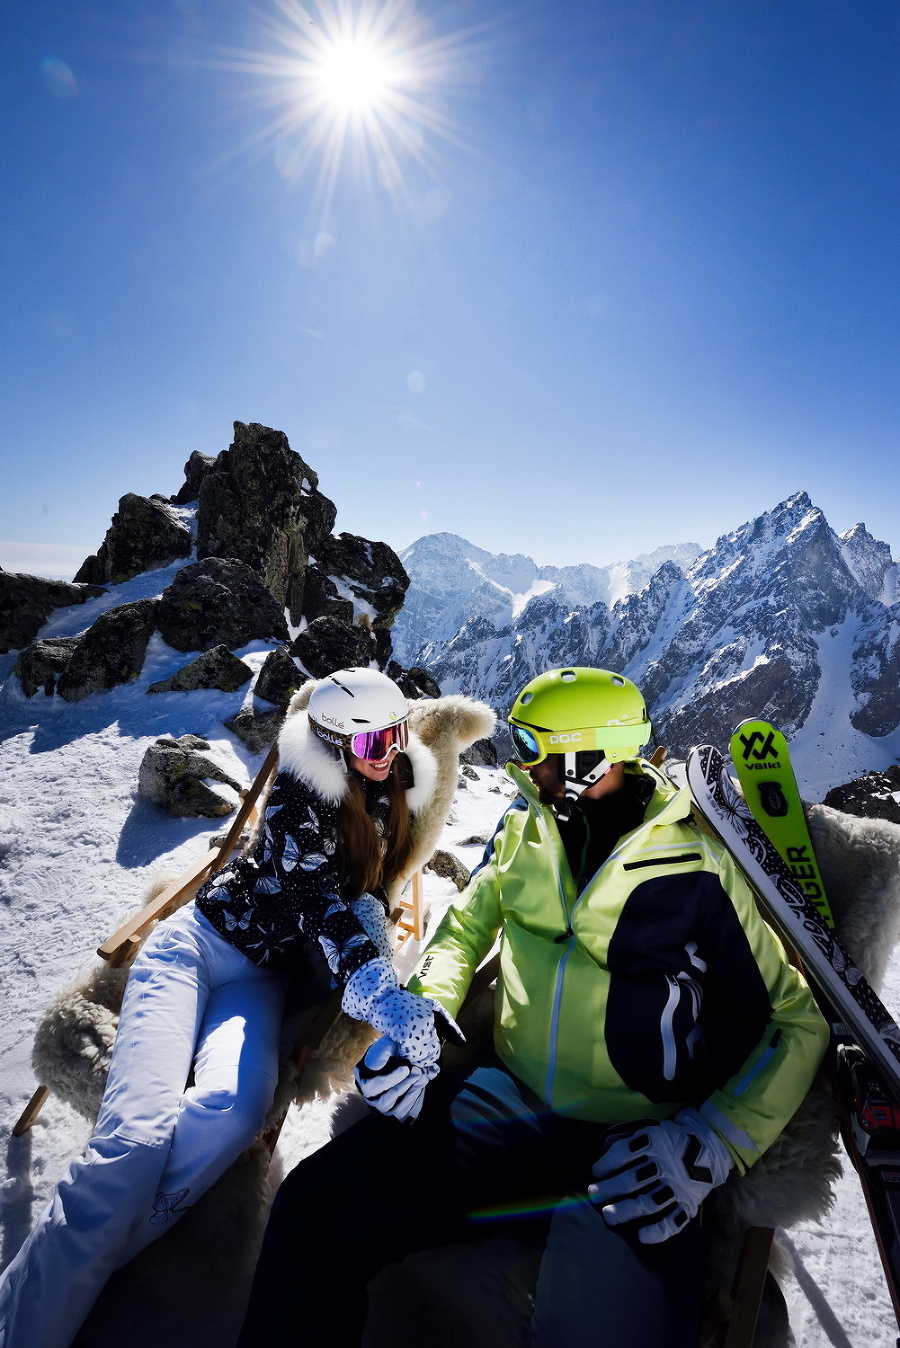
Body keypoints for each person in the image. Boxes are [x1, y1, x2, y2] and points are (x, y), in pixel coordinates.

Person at [237, 666, 829, 1347]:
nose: (522, 764)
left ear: (589, 757)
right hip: (505, 1100)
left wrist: (711, 1142)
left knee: (605, 1328)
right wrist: (421, 1017)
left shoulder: (696, 871)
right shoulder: (526, 827)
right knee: (316, 1208)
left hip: (633, 1142)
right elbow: (464, 929)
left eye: (534, 746)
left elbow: (796, 1018)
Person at [0, 666, 464, 1348]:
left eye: (394, 738)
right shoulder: (295, 799)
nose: (388, 755)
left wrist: (380, 970)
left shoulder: (389, 794)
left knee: (234, 1110)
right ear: (331, 744)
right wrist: (374, 988)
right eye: (371, 745)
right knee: (136, 1139)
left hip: (259, 980)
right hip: (194, 948)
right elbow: (315, 901)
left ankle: (98, 1242)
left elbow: (364, 901)